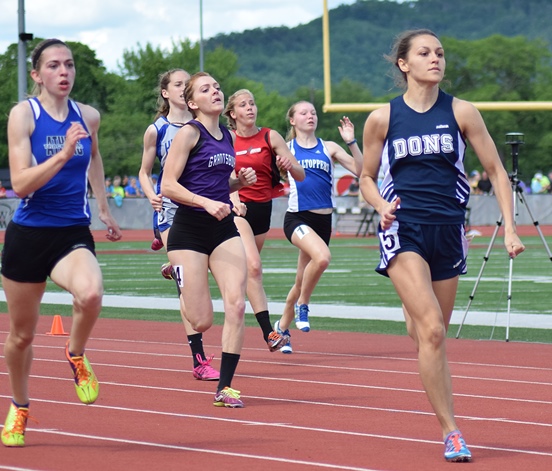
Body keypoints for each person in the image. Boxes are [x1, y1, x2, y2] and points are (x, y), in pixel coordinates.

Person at [359, 29, 525, 462]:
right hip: (404, 228)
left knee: (429, 333)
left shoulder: (462, 112)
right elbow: (366, 177)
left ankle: (412, 310)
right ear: (404, 64)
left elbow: (496, 171)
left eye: (440, 53)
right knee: (431, 329)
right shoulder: (383, 118)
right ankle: (451, 431)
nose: (435, 59)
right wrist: (380, 204)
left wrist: (509, 227)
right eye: (425, 53)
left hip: (449, 230)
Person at [1, 39, 122, 447]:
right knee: (21, 336)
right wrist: (63, 153)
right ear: (37, 75)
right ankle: (19, 406)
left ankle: (75, 353)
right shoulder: (24, 116)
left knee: (91, 294)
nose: (64, 72)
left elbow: (96, 157)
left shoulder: (88, 115)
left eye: (69, 64)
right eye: (53, 66)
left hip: (72, 230)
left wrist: (103, 205)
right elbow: (19, 183)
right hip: (29, 235)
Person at [161, 72, 256, 408]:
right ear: (192, 103)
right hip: (189, 230)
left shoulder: (227, 136)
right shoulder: (189, 133)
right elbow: (168, 186)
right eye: (205, 89)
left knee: (237, 304)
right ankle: (179, 269)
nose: (215, 91)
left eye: (216, 87)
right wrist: (205, 202)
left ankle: (226, 387)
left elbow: (217, 184)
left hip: (222, 228)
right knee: (202, 320)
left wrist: (236, 182)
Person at [138, 68, 219, 381]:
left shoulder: (205, 126)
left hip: (204, 210)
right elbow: (145, 172)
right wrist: (150, 195)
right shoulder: (156, 130)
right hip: (171, 211)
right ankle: (199, 359)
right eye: (179, 84)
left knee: (207, 273)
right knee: (187, 288)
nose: (185, 88)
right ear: (166, 93)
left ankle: (175, 265)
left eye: (189, 84)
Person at [272, 101, 363, 353]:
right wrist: (279, 171)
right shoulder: (287, 148)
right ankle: (303, 304)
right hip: (298, 218)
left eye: (313, 112)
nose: (310, 116)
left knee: (301, 280)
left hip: (323, 221)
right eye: (303, 112)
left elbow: (361, 170)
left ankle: (281, 328)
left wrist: (352, 142)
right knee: (322, 258)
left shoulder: (329, 147)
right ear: (293, 120)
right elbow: (274, 178)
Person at [223, 89, 305, 352]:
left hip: (262, 209)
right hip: (238, 209)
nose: (250, 108)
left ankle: (192, 256)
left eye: (252, 103)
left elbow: (300, 174)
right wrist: (234, 196)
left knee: (244, 273)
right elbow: (225, 172)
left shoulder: (270, 136)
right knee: (254, 266)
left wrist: (288, 165)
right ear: (233, 114)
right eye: (243, 105)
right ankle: (269, 332)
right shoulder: (227, 139)